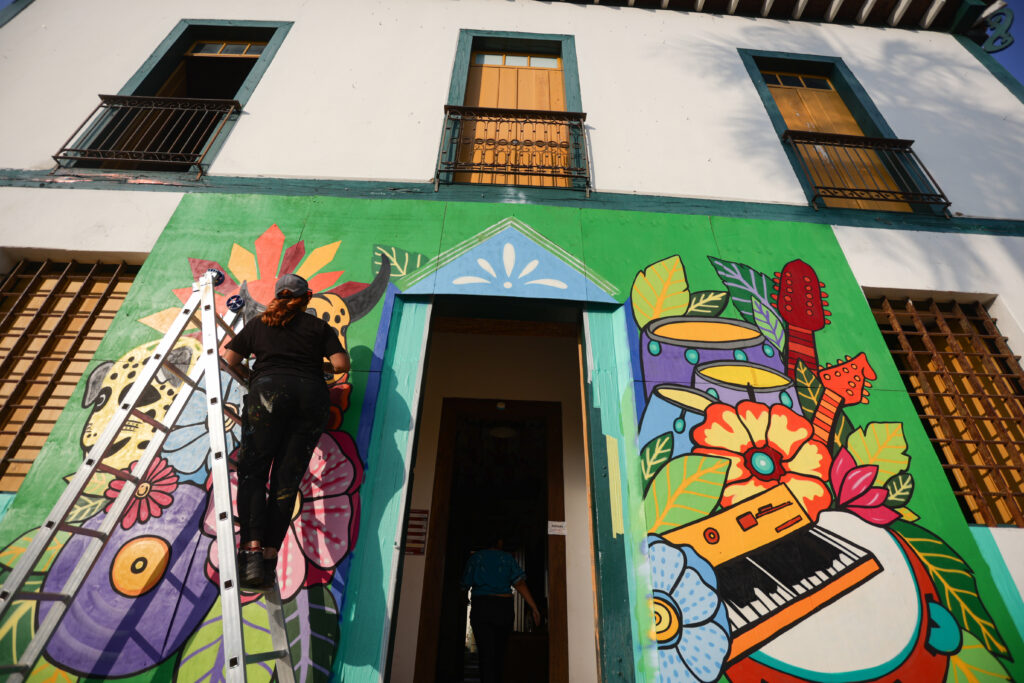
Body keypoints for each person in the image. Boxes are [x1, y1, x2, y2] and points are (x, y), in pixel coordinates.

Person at [221, 273, 349, 590]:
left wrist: (252, 375)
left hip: (268, 394)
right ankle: (268, 559)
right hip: (311, 399)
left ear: (278, 296)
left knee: (253, 473)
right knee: (286, 481)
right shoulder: (318, 327)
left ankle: (252, 553)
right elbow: (341, 365)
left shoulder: (258, 324)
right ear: (307, 298)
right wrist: (318, 366)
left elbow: (229, 359)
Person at [461, 534, 542, 683]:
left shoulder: (475, 558)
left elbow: (464, 585)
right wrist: (534, 607)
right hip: (502, 608)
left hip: (481, 607)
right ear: (499, 542)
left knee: (485, 654)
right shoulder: (507, 558)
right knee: (499, 654)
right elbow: (519, 583)